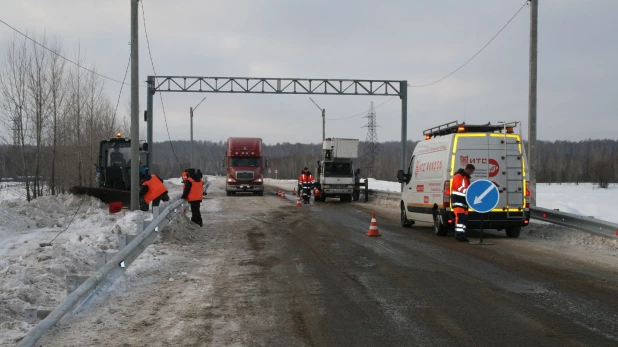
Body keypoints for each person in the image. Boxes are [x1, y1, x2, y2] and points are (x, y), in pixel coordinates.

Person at [451, 164, 475, 242]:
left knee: (464, 219)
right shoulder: (459, 176)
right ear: (468, 169)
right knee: (460, 218)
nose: (471, 173)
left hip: (464, 201)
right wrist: (468, 192)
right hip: (458, 200)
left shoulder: (466, 177)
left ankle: (462, 235)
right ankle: (458, 236)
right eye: (471, 171)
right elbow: (459, 186)